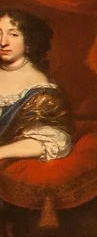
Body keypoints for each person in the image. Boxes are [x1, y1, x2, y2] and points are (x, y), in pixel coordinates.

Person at [0, 9, 73, 166]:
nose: (3, 42)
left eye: (13, 34)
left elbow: (54, 140)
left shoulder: (41, 91)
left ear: (28, 41)